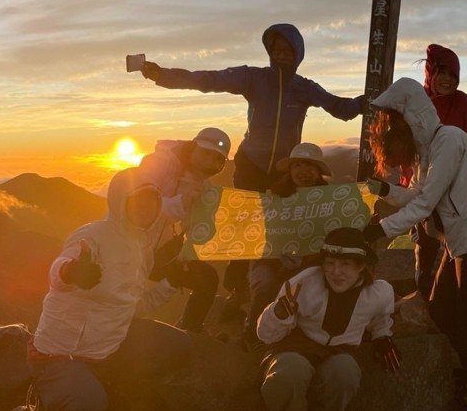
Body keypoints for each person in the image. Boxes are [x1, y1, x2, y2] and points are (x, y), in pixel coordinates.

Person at [140, 24, 366, 319]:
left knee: (277, 228)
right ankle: (238, 289)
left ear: (298, 55)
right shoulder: (253, 78)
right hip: (249, 166)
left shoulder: (305, 87)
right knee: (242, 225)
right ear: (270, 54)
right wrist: (163, 75)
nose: (282, 55)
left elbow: (341, 109)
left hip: (284, 171)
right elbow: (210, 80)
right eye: (277, 50)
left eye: (288, 51)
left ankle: (274, 288)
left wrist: (371, 101)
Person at [362, 77, 467, 411]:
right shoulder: (426, 151)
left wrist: (379, 231)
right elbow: (417, 194)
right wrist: (385, 190)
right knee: (442, 311)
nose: (389, 129)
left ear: (412, 115)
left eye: (395, 121)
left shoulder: (450, 140)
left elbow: (425, 203)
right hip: (460, 245)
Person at [29, 168, 191, 411]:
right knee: (91, 403)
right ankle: (51, 390)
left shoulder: (141, 247)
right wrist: (71, 272)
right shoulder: (93, 234)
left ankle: (109, 378)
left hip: (111, 346)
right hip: (62, 355)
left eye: (153, 201)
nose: (146, 207)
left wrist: (170, 284)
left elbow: (134, 306)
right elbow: (57, 272)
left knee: (179, 345)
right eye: (138, 200)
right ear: (119, 201)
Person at [257, 227, 400, 411]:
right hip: (294, 349)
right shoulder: (303, 283)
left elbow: (380, 318)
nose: (335, 272)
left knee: (345, 373)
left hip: (339, 353)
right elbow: (264, 335)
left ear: (362, 266)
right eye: (330, 263)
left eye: (345, 264)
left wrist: (382, 337)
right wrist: (279, 314)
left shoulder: (379, 293)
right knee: (287, 372)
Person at [406, 43, 467, 300]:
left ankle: (454, 296)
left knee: (456, 241)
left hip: (456, 186)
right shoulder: (414, 104)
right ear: (430, 72)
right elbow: (405, 147)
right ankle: (423, 291)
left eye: (453, 75)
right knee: (425, 242)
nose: (447, 80)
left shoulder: (460, 101)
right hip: (424, 183)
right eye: (442, 72)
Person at [136, 127, 231, 333]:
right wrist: (182, 201)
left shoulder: (204, 185)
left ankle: (192, 329)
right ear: (192, 146)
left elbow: (191, 226)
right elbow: (140, 206)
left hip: (159, 254)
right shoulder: (159, 162)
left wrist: (188, 250)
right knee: (127, 301)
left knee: (207, 278)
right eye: (205, 153)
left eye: (217, 159)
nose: (210, 162)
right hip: (130, 250)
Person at [243, 142, 332, 352]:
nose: (303, 171)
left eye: (310, 165)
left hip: (312, 261)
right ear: (290, 170)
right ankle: (251, 332)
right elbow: (261, 233)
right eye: (297, 165)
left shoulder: (332, 200)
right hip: (269, 259)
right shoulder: (273, 197)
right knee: (267, 285)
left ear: (319, 171)